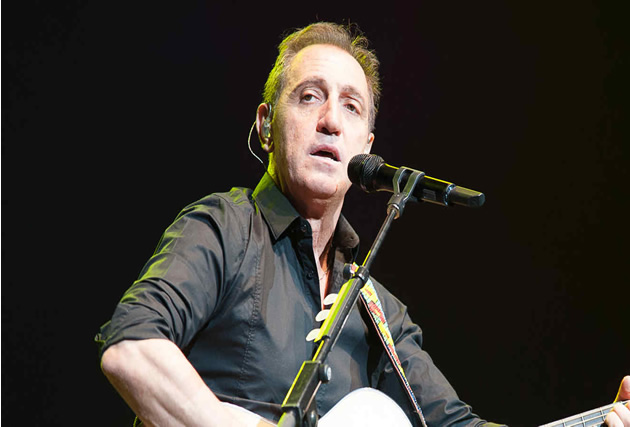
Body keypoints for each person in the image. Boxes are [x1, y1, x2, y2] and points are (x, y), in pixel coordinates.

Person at [96, 22, 630, 427]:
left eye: (351, 107)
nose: (331, 119)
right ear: (266, 124)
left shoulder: (378, 311)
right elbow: (131, 346)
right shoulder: (224, 227)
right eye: (309, 96)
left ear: (366, 148)